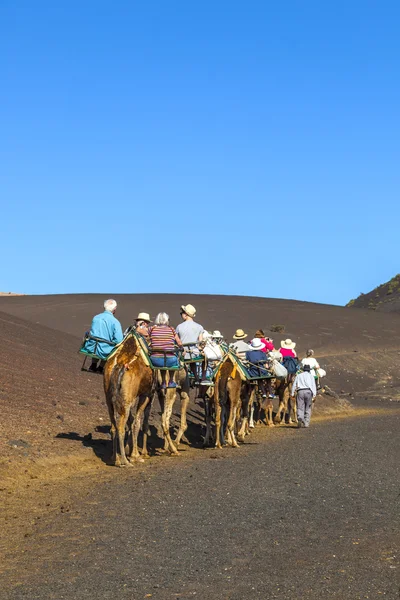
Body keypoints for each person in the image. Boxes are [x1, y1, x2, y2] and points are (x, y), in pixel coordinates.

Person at [84, 299, 124, 374]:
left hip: (91, 347)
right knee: (112, 345)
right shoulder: (115, 322)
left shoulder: (96, 317)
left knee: (97, 341)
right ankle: (101, 367)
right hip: (105, 350)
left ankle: (93, 365)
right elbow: (119, 340)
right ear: (114, 308)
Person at [148, 312, 183, 389]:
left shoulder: (152, 329)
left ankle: (163, 382)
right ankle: (171, 381)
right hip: (170, 360)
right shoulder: (171, 329)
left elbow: (145, 335)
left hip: (155, 360)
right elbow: (179, 342)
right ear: (167, 320)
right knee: (173, 357)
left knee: (162, 361)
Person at [175, 304, 204, 382]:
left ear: (186, 314)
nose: (181, 315)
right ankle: (198, 376)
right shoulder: (199, 327)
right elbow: (200, 342)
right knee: (198, 359)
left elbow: (177, 341)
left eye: (182, 313)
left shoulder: (179, 327)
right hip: (194, 354)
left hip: (182, 354)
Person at [291, 364, 316, 428]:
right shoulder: (311, 376)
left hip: (300, 391)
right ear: (309, 370)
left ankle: (300, 417)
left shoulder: (298, 376)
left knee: (300, 406)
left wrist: (292, 393)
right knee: (308, 407)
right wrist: (314, 395)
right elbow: (313, 386)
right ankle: (306, 423)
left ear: (303, 370)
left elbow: (294, 385)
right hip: (308, 391)